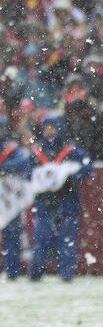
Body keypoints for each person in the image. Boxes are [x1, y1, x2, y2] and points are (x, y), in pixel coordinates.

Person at [29, 114, 93, 281]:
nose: (49, 131)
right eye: (46, 128)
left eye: (52, 127)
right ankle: (36, 272)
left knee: (67, 240)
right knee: (41, 238)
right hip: (44, 201)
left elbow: (87, 166)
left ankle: (66, 274)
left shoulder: (71, 150)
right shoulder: (37, 150)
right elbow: (28, 171)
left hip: (67, 199)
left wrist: (73, 177)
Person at [0, 114, 32, 279]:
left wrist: (4, 167)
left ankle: (13, 270)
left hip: (8, 198)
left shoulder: (11, 148)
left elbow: (24, 162)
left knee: (12, 234)